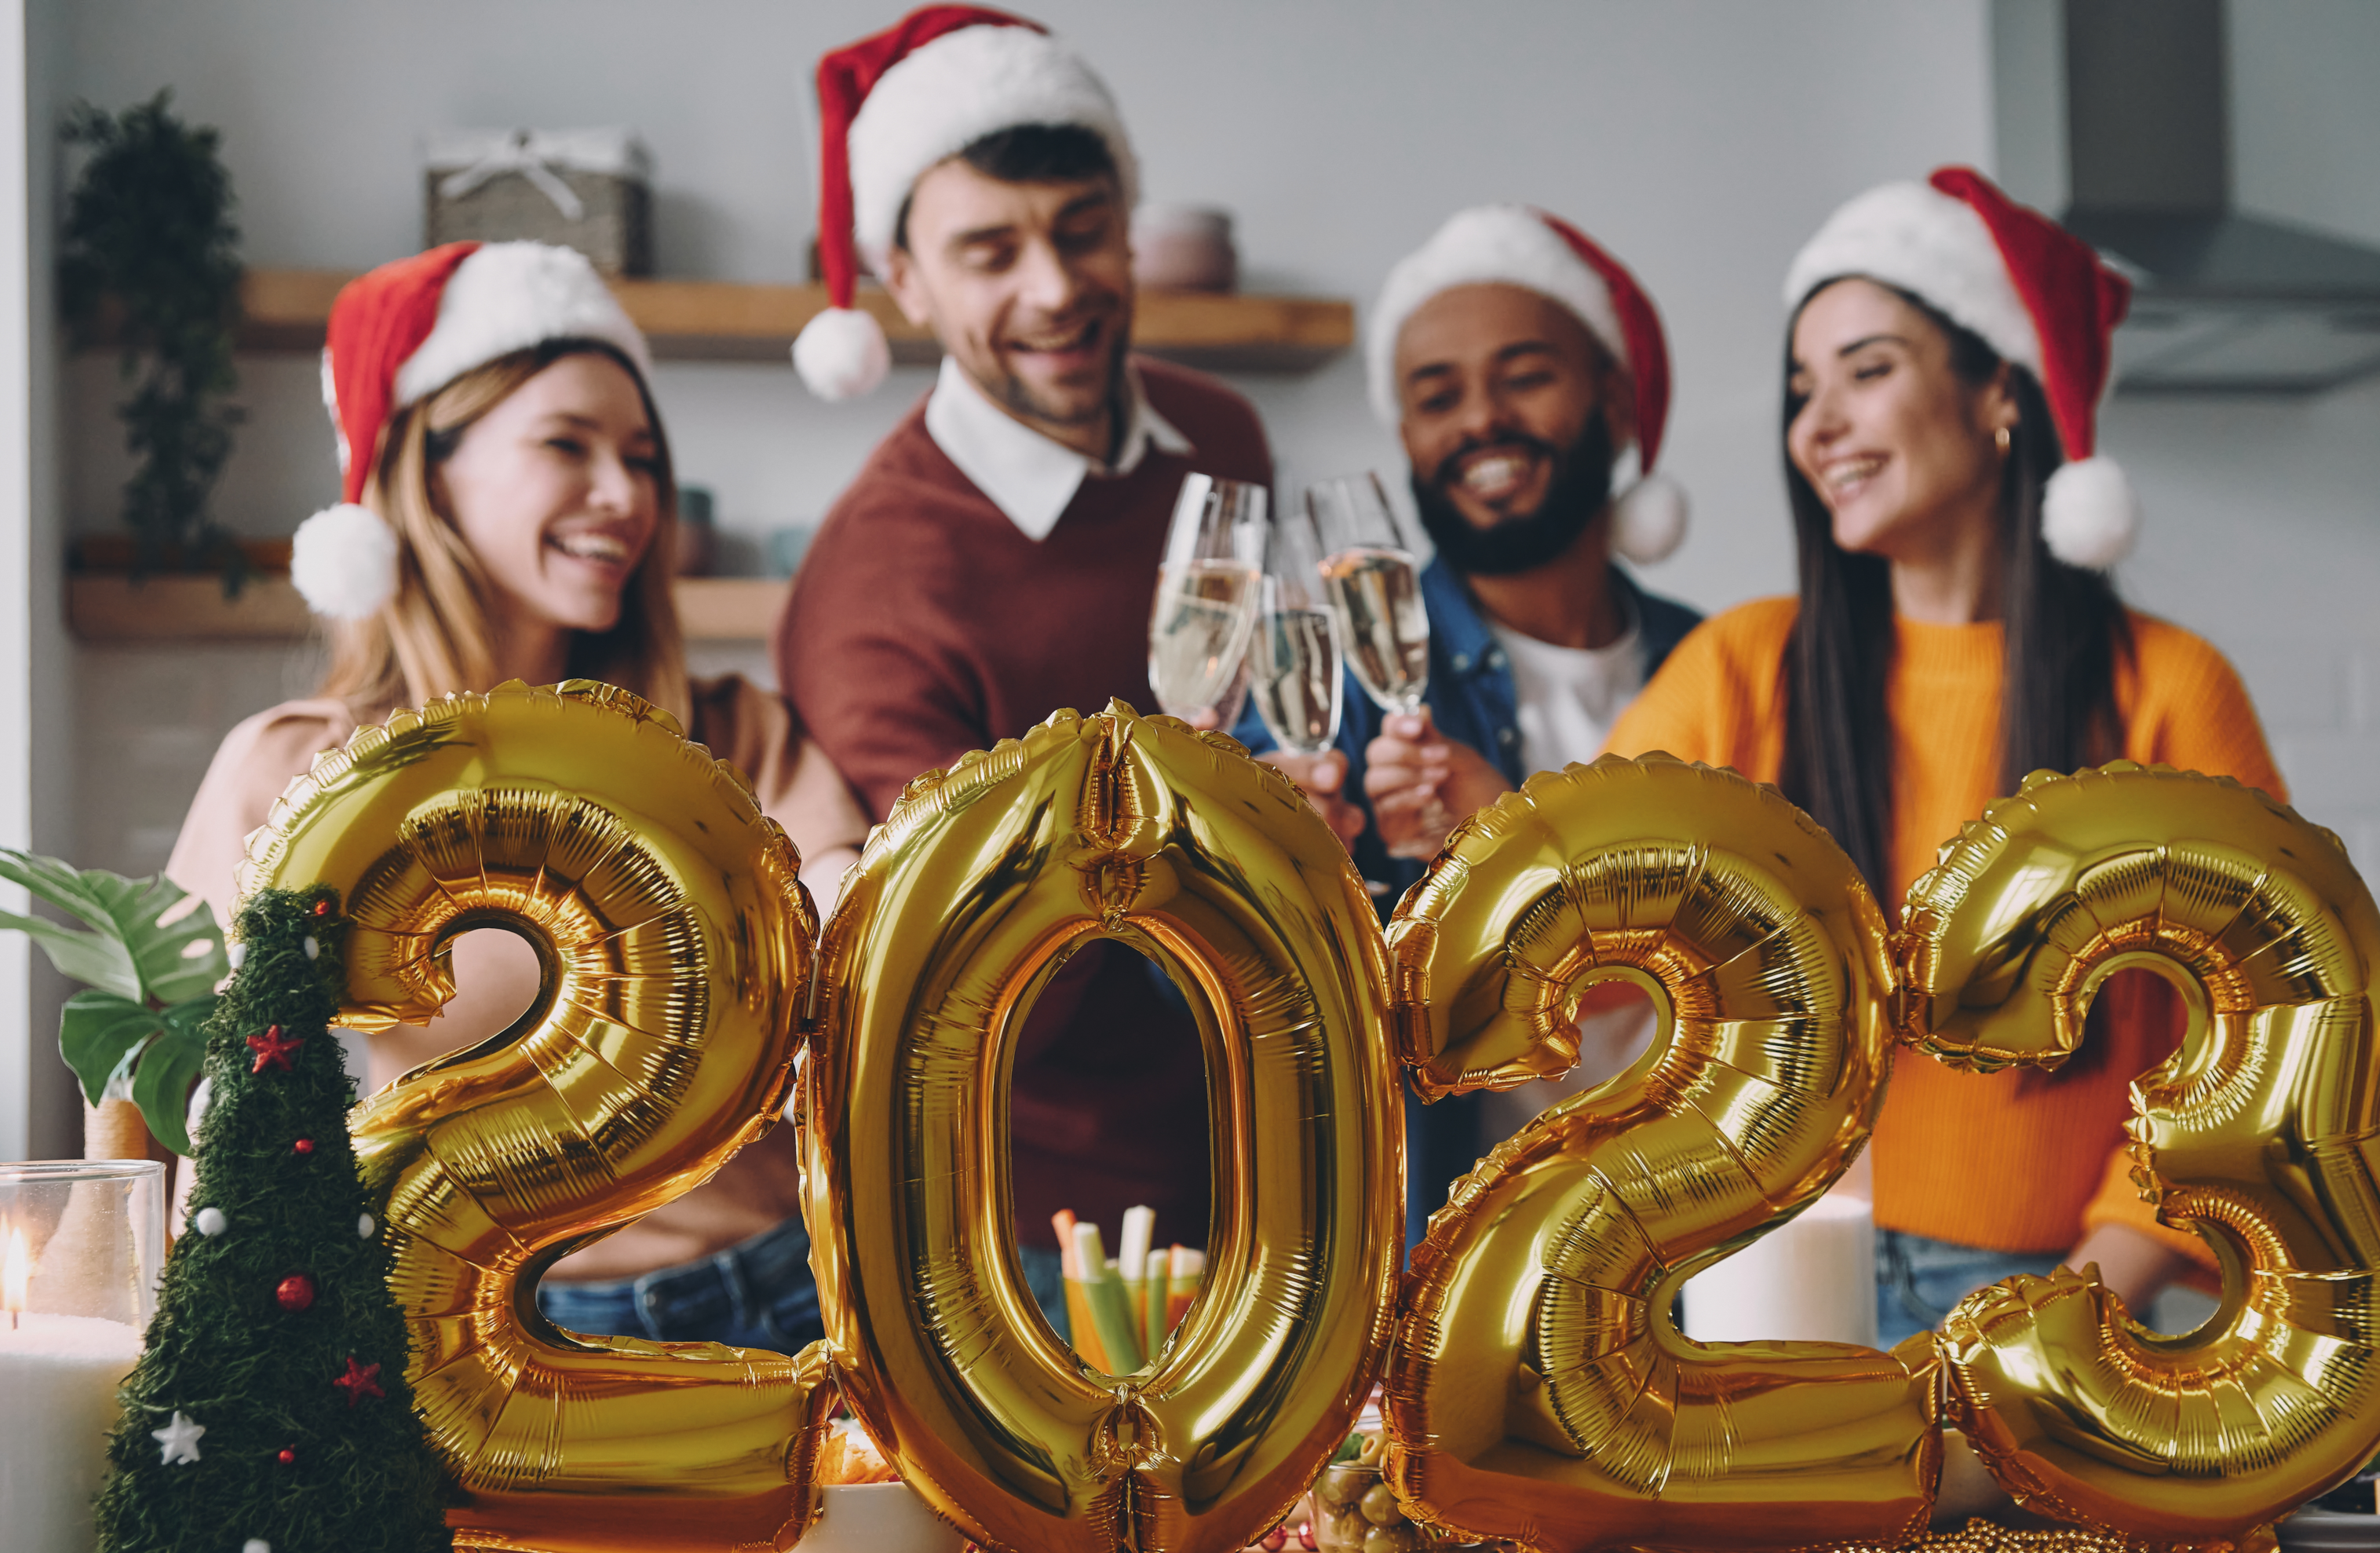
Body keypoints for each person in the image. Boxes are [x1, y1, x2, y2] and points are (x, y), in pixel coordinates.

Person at [1604, 167, 2284, 1347]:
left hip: (2042, 1300)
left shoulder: (2168, 693)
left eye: (1866, 371)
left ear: (1996, 394)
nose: (1814, 427)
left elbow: (2254, 1061)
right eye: (1801, 387)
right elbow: (1589, 973)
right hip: (1748, 1286)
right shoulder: (1740, 667)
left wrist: (2064, 1322)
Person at [168, 240, 867, 1353]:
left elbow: (847, 906)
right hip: (462, 1347)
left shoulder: (731, 731)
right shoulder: (297, 778)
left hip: (785, 1310)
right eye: (566, 446)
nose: (623, 495)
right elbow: (185, 1109)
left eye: (640, 459)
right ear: (427, 470)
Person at [775, 7, 1275, 1326]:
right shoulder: (879, 579)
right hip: (1043, 1247)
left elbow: (1275, 730)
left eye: (1080, 226)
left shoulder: (1218, 442)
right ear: (906, 281)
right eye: (990, 250)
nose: (1054, 287)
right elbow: (971, 990)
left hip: (1289, 1166)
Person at [1237, 205, 1700, 1234]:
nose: (1479, 420)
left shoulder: (1715, 664)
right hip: (1456, 1268)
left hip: (1706, 1248)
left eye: (1524, 375)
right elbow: (1208, 986)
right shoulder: (1344, 694)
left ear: (1614, 403)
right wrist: (1270, 867)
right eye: (1435, 396)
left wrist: (1516, 852)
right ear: (1406, 437)